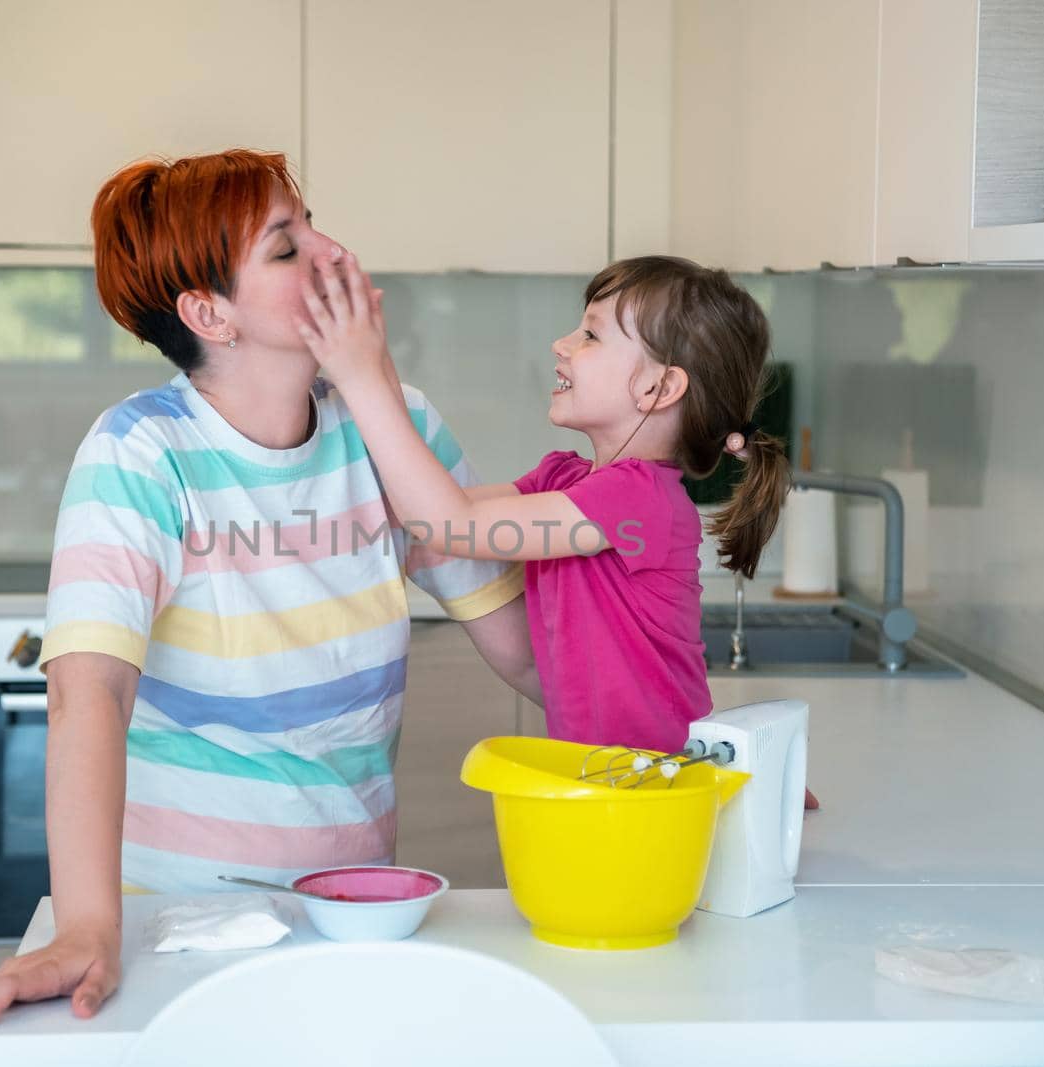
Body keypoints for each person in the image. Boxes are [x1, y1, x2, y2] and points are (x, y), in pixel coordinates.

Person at [0, 149, 532, 1059]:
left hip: (353, 908)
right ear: (208, 313)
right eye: (285, 246)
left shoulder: (393, 427)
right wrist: (86, 927)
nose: (331, 250)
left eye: (312, 222)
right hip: (181, 925)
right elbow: (88, 695)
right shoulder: (143, 455)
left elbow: (527, 651)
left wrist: (688, 747)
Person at [295, 252, 789, 757]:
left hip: (657, 781)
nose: (562, 344)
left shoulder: (640, 498)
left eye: (591, 335)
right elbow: (429, 508)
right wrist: (372, 359)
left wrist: (360, 377)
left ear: (657, 388)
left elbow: (448, 524)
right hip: (614, 778)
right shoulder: (564, 481)